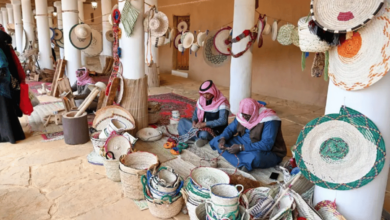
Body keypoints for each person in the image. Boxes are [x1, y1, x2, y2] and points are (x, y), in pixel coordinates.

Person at [209, 98, 287, 171]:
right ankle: (243, 163)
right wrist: (223, 139)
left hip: (263, 148)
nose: (244, 118)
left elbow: (266, 144)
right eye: (243, 115)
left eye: (247, 116)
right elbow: (230, 129)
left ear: (254, 112)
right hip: (242, 141)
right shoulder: (242, 115)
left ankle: (242, 161)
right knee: (217, 140)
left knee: (256, 157)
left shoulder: (269, 119)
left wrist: (241, 147)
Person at [178, 80, 230, 147]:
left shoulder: (222, 102)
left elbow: (223, 121)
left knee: (204, 134)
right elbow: (195, 114)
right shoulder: (201, 100)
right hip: (200, 126)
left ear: (213, 91)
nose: (205, 96)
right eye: (203, 93)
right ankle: (197, 139)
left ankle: (199, 138)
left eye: (207, 93)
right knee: (182, 122)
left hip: (215, 130)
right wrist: (194, 121)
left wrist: (205, 124)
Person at [0, 30, 25, 143]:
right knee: (6, 109)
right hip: (5, 83)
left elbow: (2, 67)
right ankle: (11, 134)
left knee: (4, 109)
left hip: (2, 84)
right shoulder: (4, 47)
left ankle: (9, 135)